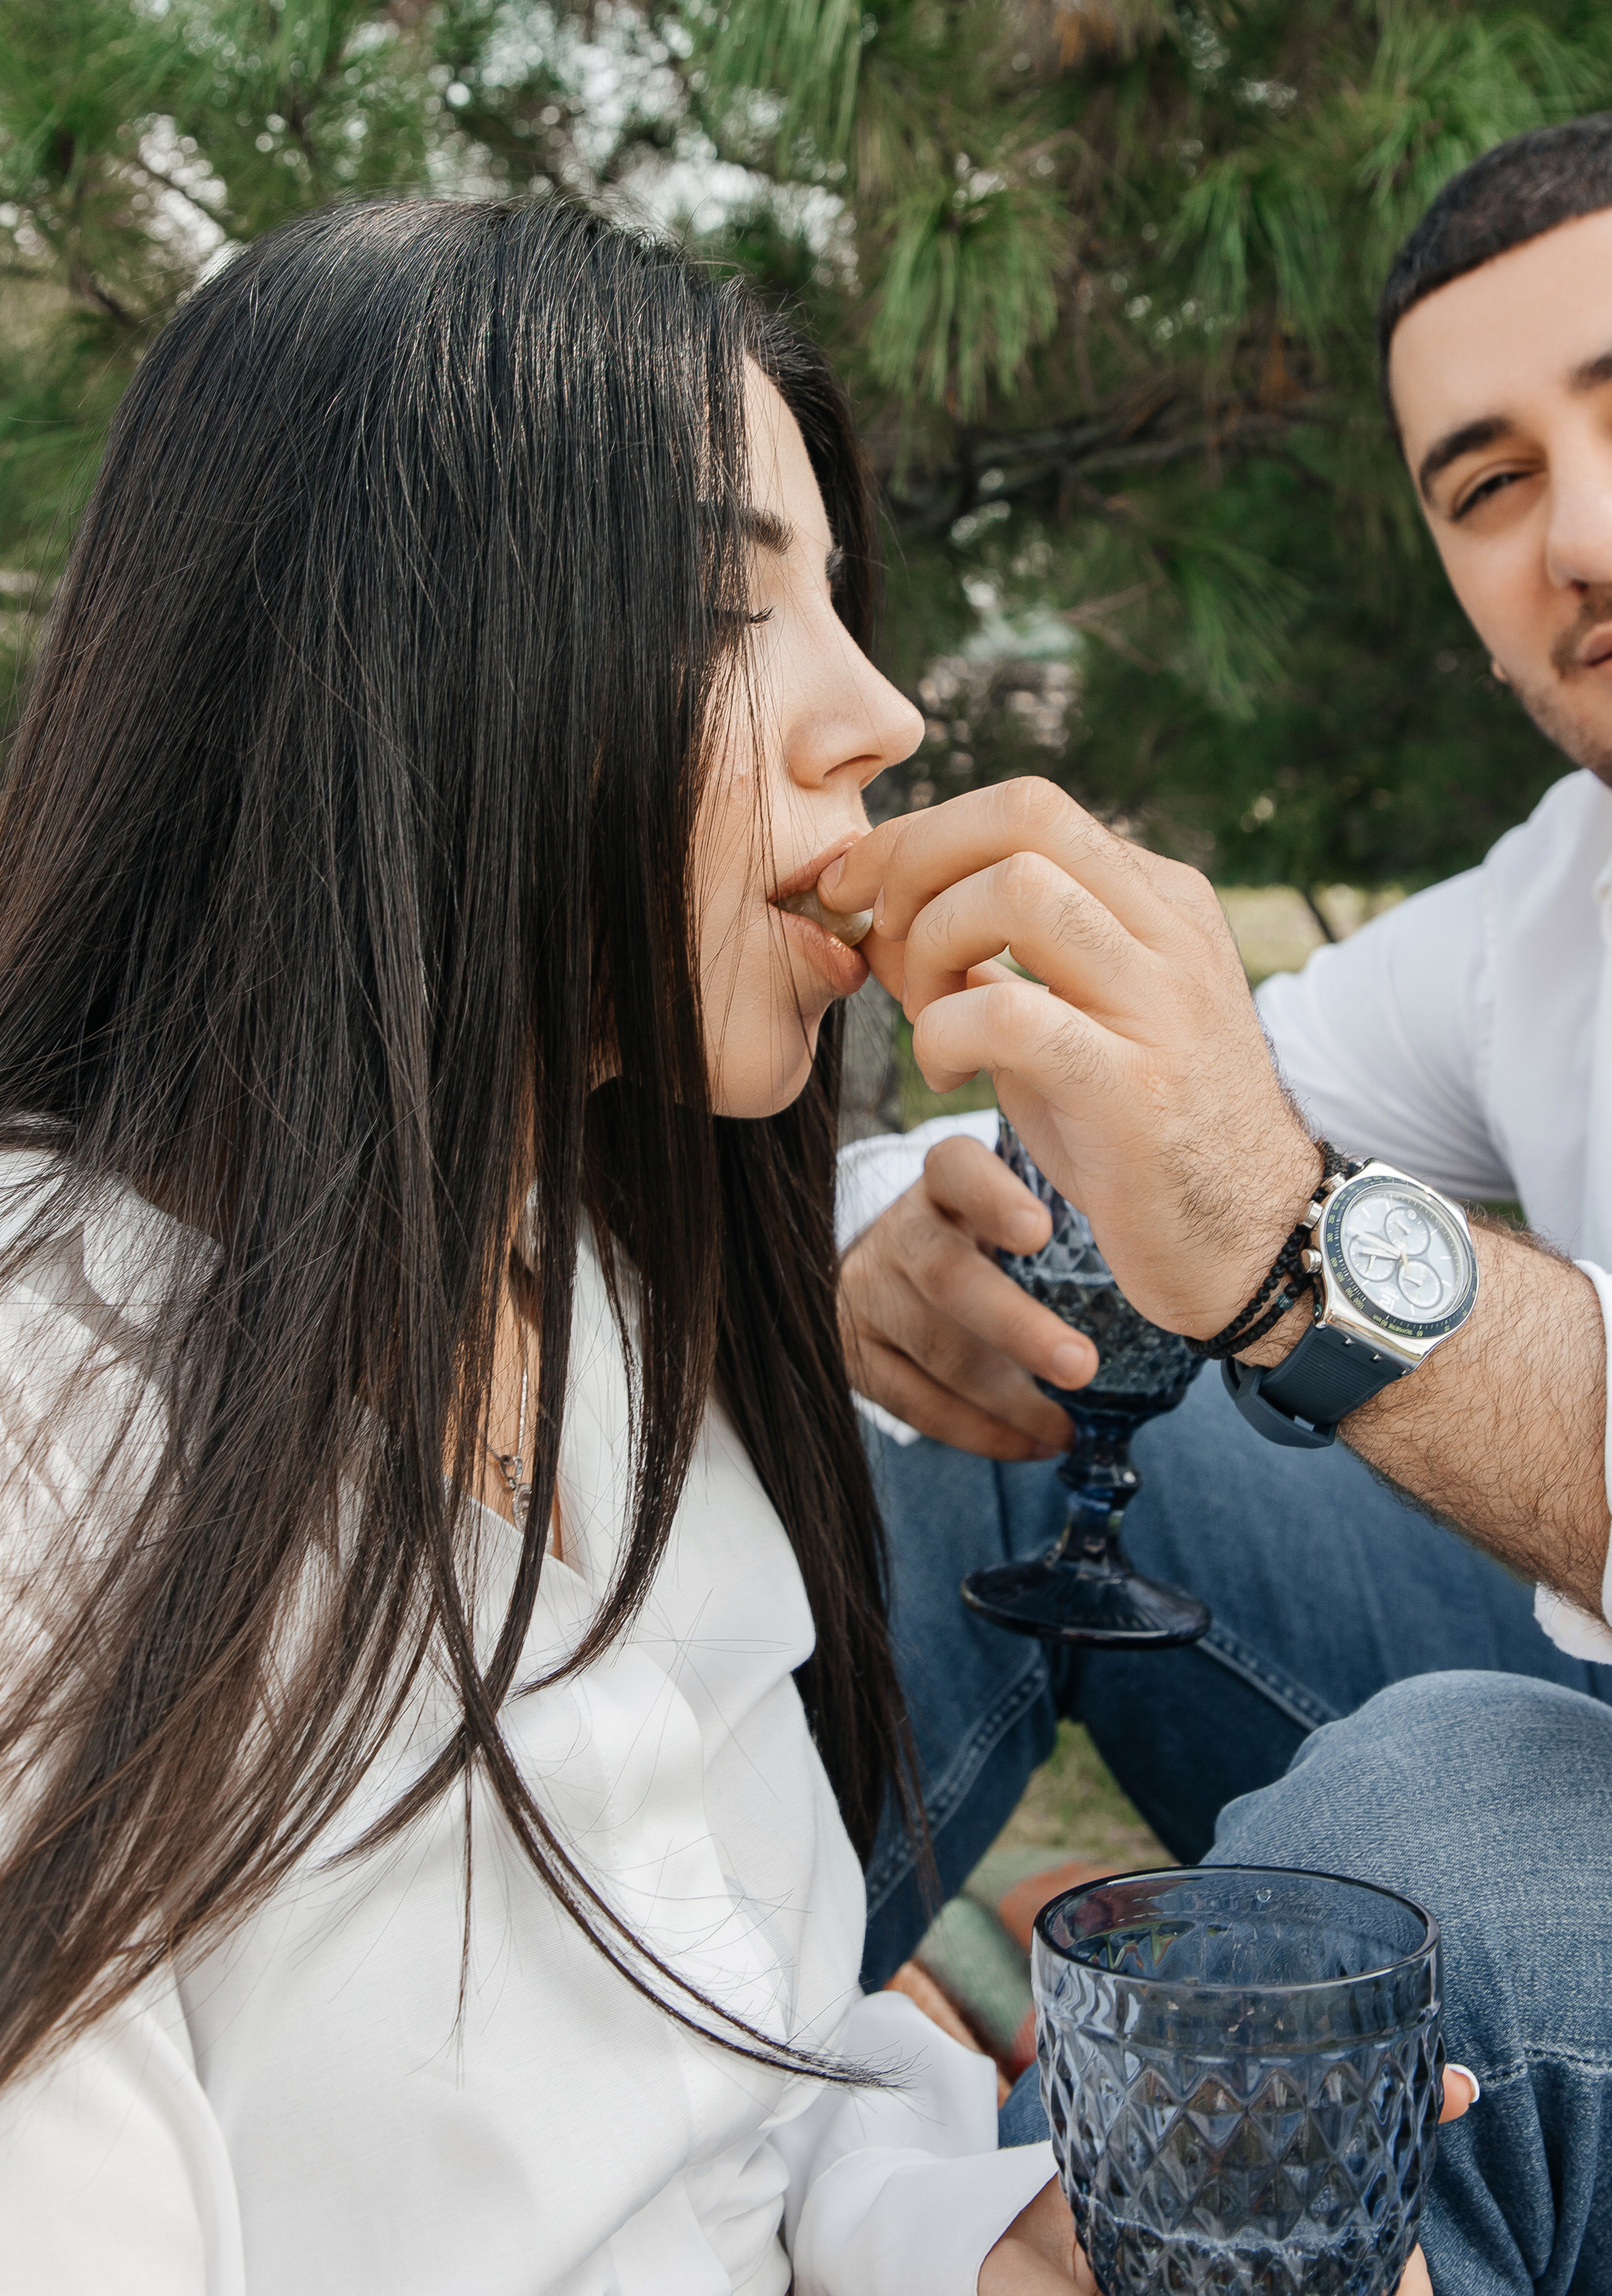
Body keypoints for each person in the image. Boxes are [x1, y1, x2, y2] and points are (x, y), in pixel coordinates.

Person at [0, 197, 1148, 2293]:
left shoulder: (609, 1315)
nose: (880, 714)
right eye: (730, 609)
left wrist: (1004, 2258)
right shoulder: (48, 1431)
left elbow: (765, 2128)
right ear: (383, 671)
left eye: (843, 610)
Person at [832, 110, 1612, 2293]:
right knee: (1009, 1387)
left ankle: (1008, 2240)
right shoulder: (1565, 910)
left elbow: (1261, 1201)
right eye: (1491, 483)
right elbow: (1128, 1147)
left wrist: (1305, 1251)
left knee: (1433, 1857)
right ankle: (635, 2111)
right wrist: (893, 1226)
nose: (1596, 533)